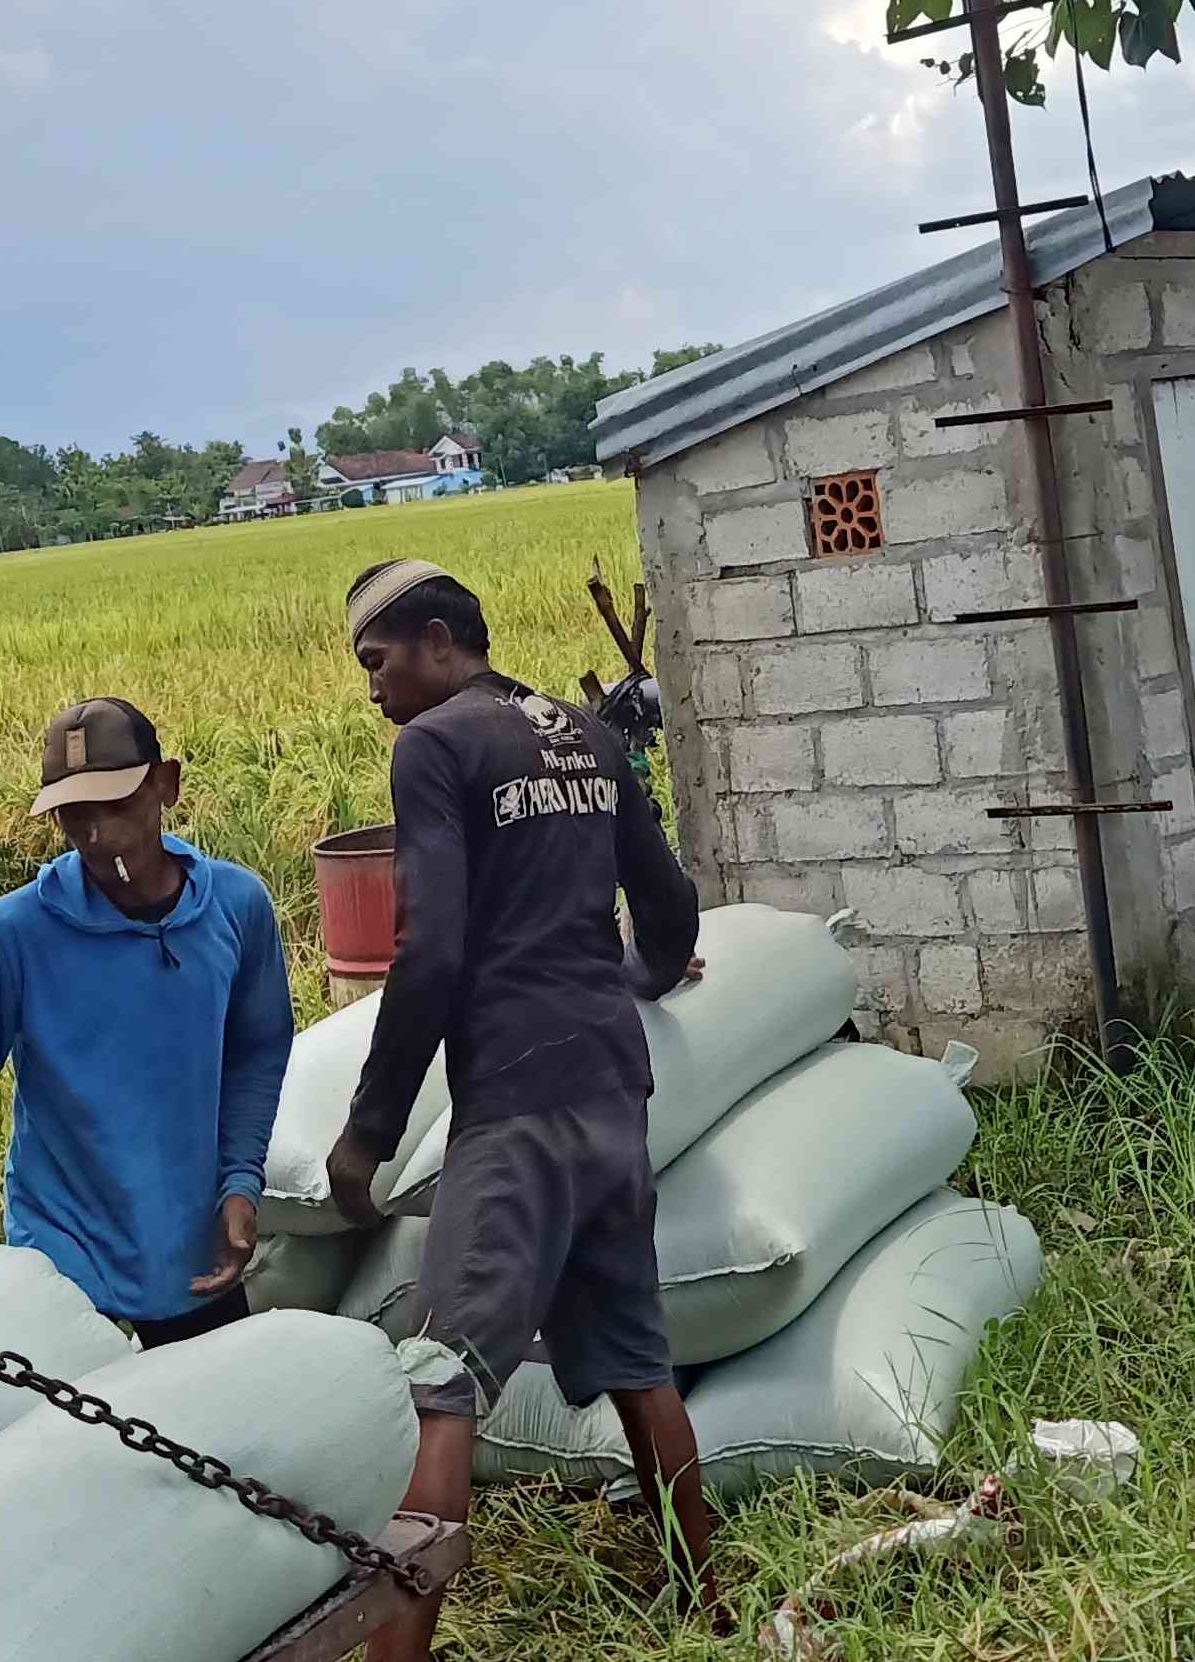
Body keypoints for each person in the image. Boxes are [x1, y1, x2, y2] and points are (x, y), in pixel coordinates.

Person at [326, 560, 715, 1658]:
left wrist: (369, 1130)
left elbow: (431, 947)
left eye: (379, 660)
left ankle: (398, 1652)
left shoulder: (435, 747)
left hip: (515, 1102)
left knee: (442, 1376)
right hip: (609, 1083)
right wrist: (634, 983)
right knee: (639, 1357)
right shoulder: (586, 737)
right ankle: (705, 1591)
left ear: (439, 640)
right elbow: (671, 905)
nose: (374, 689)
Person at [0, 696, 293, 1347]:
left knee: (203, 1439)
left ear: (165, 784)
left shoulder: (236, 907)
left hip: (190, 1261)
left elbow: (256, 1053)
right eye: (74, 814)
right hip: (63, 1271)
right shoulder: (17, 933)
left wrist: (239, 1182)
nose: (97, 834)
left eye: (117, 804)